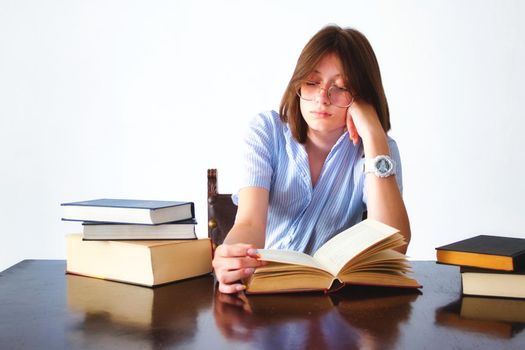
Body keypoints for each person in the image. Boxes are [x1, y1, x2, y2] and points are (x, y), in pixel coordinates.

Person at [212, 24, 411, 294]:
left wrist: (374, 133)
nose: (322, 97)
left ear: (362, 95)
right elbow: (249, 223)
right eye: (312, 82)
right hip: (269, 293)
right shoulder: (267, 132)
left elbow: (394, 247)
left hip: (337, 302)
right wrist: (233, 257)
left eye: (340, 87)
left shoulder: (377, 148)